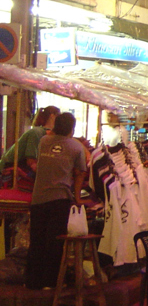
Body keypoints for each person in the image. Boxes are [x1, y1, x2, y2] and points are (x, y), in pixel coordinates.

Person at [25, 112, 88, 291]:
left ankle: (32, 281)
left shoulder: (44, 141)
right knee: (54, 242)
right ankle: (49, 282)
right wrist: (77, 197)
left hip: (38, 198)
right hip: (59, 199)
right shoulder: (76, 147)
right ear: (72, 128)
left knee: (37, 240)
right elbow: (80, 173)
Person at [0, 105, 58, 178]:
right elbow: (31, 161)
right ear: (52, 116)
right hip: (9, 168)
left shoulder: (43, 134)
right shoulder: (36, 133)